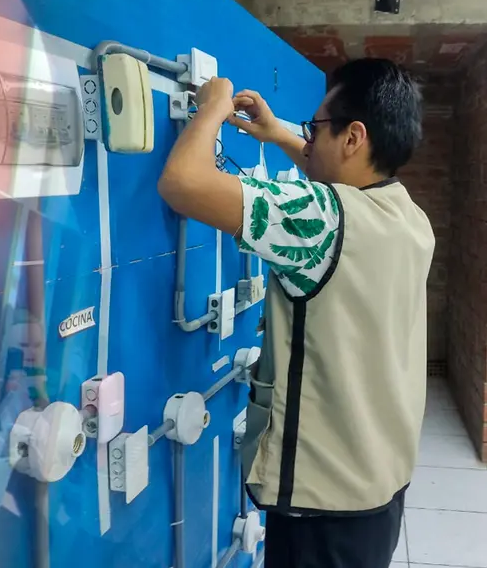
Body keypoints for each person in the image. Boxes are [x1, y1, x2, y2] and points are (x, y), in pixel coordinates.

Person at [157, 59, 432, 568]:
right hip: (376, 488)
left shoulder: (323, 219)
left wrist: (213, 110)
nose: (309, 140)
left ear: (353, 137)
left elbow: (183, 183)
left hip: (321, 506)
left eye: (316, 128)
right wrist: (278, 133)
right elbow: (335, 194)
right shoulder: (408, 216)